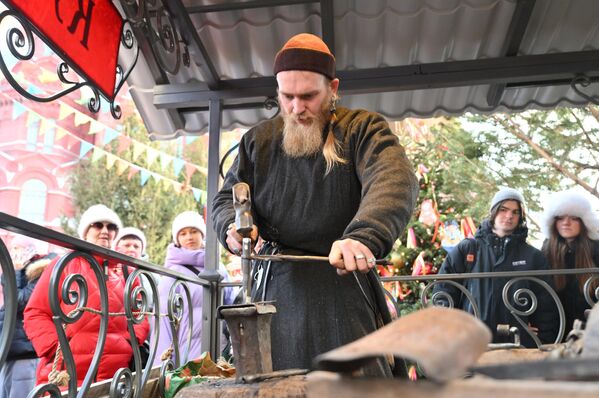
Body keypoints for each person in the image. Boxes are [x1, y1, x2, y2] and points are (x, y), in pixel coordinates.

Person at [212, 33, 418, 375]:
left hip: (344, 282)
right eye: (287, 96)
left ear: (332, 88)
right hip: (277, 290)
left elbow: (393, 178)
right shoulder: (257, 141)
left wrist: (364, 236)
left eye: (308, 96)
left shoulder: (362, 129)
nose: (296, 108)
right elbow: (226, 197)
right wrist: (230, 227)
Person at [24, 205, 150, 385]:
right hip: (66, 375)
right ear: (85, 231)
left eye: (111, 227)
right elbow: (35, 312)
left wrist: (129, 343)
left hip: (114, 375)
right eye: (98, 225)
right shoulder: (63, 265)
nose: (105, 231)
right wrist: (55, 347)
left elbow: (141, 314)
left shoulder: (127, 271)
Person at [434, 188, 559, 347]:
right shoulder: (467, 249)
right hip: (472, 342)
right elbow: (444, 290)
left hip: (518, 344)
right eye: (503, 209)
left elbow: (546, 303)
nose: (509, 216)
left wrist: (542, 337)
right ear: (493, 212)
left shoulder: (532, 255)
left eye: (515, 212)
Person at [154, 211, 234, 366]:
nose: (189, 237)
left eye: (193, 231)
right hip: (187, 350)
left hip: (219, 346)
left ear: (202, 234)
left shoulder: (218, 267)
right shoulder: (172, 273)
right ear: (176, 239)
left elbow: (230, 304)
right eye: (183, 234)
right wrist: (163, 364)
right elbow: (163, 321)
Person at [0, 236, 55, 398]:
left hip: (26, 351)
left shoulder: (41, 269)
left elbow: (19, 301)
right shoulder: (20, 271)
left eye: (20, 248)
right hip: (10, 348)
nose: (16, 253)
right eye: (14, 249)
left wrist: (14, 271)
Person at [540, 189, 599, 336]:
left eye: (574, 218)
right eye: (561, 217)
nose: (566, 222)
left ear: (583, 222)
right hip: (555, 330)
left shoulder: (596, 249)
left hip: (591, 329)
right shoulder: (546, 250)